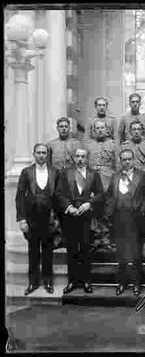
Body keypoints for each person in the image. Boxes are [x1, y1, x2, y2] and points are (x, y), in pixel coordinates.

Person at [56, 148, 104, 294]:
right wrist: (68, 207)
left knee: (85, 249)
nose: (80, 159)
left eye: (83, 156)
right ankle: (72, 281)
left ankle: (86, 281)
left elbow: (101, 194)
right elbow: (59, 193)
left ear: (87, 158)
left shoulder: (93, 174)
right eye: (77, 156)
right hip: (70, 216)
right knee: (72, 250)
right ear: (74, 158)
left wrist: (89, 203)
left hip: (86, 217)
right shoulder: (65, 173)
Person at [105, 149, 145, 296]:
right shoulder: (115, 176)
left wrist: (142, 211)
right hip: (119, 219)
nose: (127, 162)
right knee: (121, 254)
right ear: (120, 161)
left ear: (133, 160)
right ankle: (121, 282)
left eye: (129, 159)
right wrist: (110, 212)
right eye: (124, 159)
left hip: (136, 219)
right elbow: (109, 196)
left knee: (136, 253)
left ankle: (136, 283)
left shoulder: (142, 175)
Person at [15, 143, 59, 295]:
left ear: (47, 155)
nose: (41, 155)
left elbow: (59, 197)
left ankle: (48, 282)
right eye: (39, 152)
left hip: (49, 218)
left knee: (48, 251)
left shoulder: (55, 172)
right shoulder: (26, 172)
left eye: (44, 153)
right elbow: (20, 197)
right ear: (34, 154)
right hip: (31, 218)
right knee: (33, 251)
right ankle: (33, 283)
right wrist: (22, 219)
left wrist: (58, 219)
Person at [47, 117, 83, 248]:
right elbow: (48, 164)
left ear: (69, 128)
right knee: (57, 209)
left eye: (66, 126)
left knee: (71, 209)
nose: (63, 128)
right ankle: (58, 238)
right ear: (57, 128)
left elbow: (81, 162)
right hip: (56, 181)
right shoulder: (50, 144)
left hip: (71, 180)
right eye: (61, 126)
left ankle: (71, 239)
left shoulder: (76, 143)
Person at [83, 119, 118, 248]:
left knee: (108, 211)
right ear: (93, 131)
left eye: (102, 128)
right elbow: (84, 165)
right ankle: (97, 238)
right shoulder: (87, 145)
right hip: (92, 182)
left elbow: (117, 165)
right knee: (95, 210)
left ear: (107, 130)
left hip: (109, 180)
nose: (100, 130)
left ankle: (107, 238)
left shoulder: (113, 145)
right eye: (97, 128)